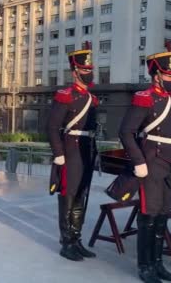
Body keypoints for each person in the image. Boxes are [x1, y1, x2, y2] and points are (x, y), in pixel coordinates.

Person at [119, 43, 171, 283]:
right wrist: (138, 161)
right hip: (151, 162)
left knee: (163, 216)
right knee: (148, 215)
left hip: (168, 164)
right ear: (157, 75)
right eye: (168, 75)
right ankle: (145, 266)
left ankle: (158, 264)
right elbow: (126, 132)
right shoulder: (144, 99)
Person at [47, 43, 98, 261]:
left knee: (81, 196)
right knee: (68, 195)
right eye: (84, 70)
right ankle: (66, 242)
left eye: (90, 70)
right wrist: (58, 153)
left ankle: (77, 239)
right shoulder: (65, 95)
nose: (88, 73)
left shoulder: (91, 98)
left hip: (87, 150)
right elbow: (51, 126)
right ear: (75, 71)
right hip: (71, 150)